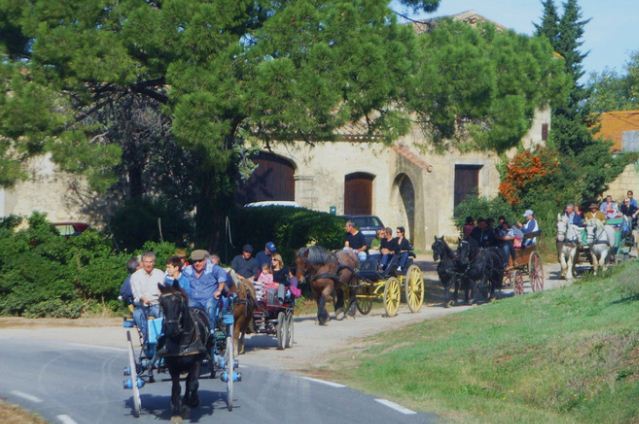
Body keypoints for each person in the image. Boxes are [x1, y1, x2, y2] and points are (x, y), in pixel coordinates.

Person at [186, 249, 228, 332]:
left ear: (205, 260)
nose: (197, 263)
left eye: (200, 261)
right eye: (195, 261)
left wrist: (219, 290)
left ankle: (210, 331)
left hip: (209, 298)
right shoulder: (187, 270)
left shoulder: (213, 268)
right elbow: (180, 279)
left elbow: (222, 277)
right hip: (193, 299)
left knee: (210, 307)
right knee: (185, 308)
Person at [130, 251, 165, 344]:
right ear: (142, 263)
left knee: (162, 314)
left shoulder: (160, 274)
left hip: (157, 304)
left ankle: (162, 337)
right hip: (142, 305)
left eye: (150, 262)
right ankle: (147, 338)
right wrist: (143, 298)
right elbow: (136, 293)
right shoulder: (135, 276)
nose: (148, 264)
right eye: (146, 262)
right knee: (137, 314)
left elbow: (163, 290)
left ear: (154, 263)